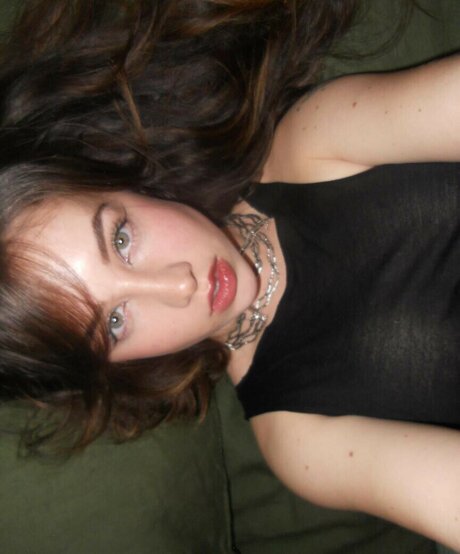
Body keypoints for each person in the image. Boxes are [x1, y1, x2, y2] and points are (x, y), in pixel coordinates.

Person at [0, 0, 459, 550]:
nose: (178, 286)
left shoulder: (312, 145)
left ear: (117, 177)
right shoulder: (300, 437)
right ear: (114, 368)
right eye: (116, 323)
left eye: (121, 239)